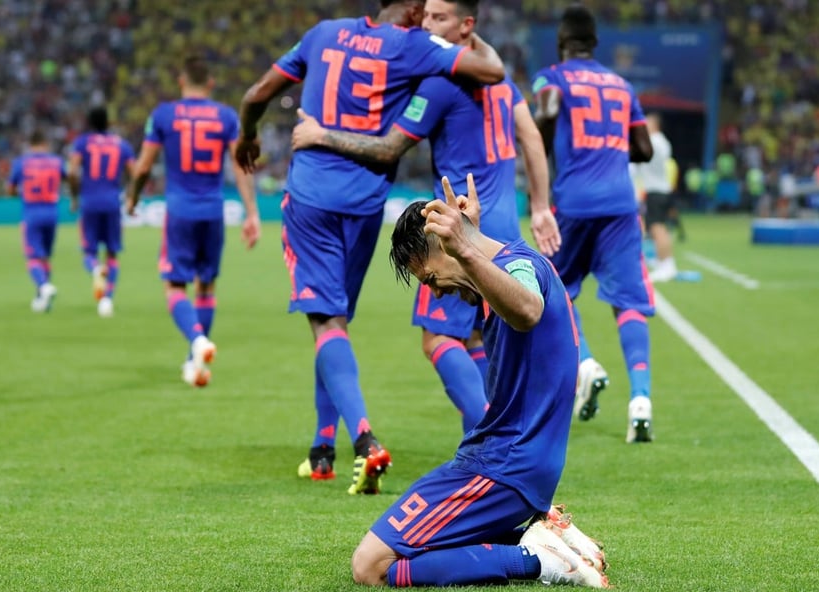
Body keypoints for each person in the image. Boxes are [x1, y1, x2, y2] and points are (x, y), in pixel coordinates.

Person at [234, 0, 506, 494]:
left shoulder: (323, 33)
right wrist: (461, 36)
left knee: (326, 323)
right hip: (363, 204)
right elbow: (492, 69)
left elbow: (256, 94)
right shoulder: (414, 45)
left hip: (311, 196)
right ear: (413, 9)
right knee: (334, 323)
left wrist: (247, 136)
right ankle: (321, 449)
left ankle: (363, 439)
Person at [289, 0, 559, 436]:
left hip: (460, 226)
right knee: (478, 337)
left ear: (464, 25)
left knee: (438, 339)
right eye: (426, 15)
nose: (425, 25)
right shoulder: (504, 82)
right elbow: (530, 137)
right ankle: (499, 429)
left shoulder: (439, 85)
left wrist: (321, 135)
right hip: (504, 228)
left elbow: (388, 148)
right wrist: (541, 206)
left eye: (438, 18)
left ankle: (488, 436)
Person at [350, 175, 606, 588]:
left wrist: (467, 248)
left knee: (370, 566)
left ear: (447, 245)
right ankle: (541, 537)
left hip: (504, 467)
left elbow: (528, 309)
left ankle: (538, 560)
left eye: (429, 279)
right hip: (511, 464)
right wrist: (471, 241)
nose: (435, 293)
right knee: (414, 549)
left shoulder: (519, 266)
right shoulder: (501, 274)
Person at [532, 4, 656, 442]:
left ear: (561, 43)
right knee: (629, 302)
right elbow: (644, 149)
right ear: (595, 45)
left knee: (556, 289)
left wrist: (543, 151)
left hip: (574, 201)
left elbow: (546, 111)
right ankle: (641, 399)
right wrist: (611, 145)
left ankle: (585, 363)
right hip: (620, 204)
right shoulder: (622, 85)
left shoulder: (551, 77)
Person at [126, 55, 261, 388]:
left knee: (174, 286)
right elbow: (240, 164)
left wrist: (132, 198)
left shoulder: (163, 115)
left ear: (181, 82)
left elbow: (143, 167)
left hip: (180, 211)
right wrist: (252, 212)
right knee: (206, 285)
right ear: (210, 84)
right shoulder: (226, 116)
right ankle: (194, 362)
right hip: (213, 211)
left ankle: (197, 341)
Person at [67, 105, 136, 317]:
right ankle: (107, 300)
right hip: (113, 203)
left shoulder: (82, 143)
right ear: (108, 122)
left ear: (89, 122)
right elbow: (135, 173)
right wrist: (131, 197)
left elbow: (72, 172)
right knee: (112, 253)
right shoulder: (122, 144)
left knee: (89, 252)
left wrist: (75, 196)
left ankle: (96, 269)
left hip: (89, 202)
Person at [6, 130, 67, 313]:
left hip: (32, 213)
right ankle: (42, 299)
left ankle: (43, 286)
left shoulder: (21, 162)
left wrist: (19, 193)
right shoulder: (56, 161)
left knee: (33, 257)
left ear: (30, 144)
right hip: (52, 212)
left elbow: (10, 189)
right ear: (45, 143)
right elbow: (70, 178)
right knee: (45, 257)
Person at [635, 113, 677, 283]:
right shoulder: (661, 141)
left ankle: (666, 265)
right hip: (660, 190)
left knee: (657, 228)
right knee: (659, 229)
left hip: (656, 191)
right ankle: (664, 262)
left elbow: (639, 154)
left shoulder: (655, 141)